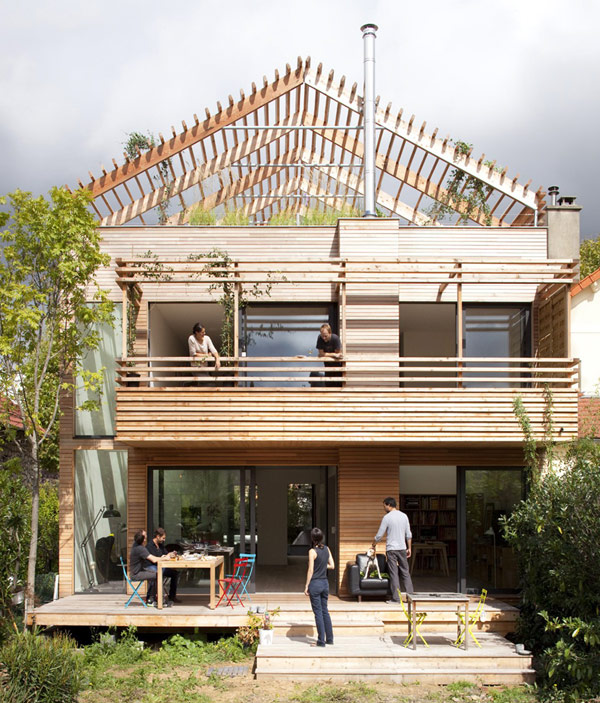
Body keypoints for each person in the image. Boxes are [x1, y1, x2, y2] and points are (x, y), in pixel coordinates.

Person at [373, 496, 414, 604]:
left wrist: (373, 544)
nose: (384, 508)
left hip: (391, 549)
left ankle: (396, 599)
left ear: (389, 505)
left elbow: (379, 535)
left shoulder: (387, 517)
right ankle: (412, 598)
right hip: (402, 548)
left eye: (384, 506)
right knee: (405, 572)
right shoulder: (404, 516)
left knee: (394, 573)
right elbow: (408, 534)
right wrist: (409, 548)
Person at [304, 527, 335, 647]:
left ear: (312, 539)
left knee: (318, 613)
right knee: (325, 611)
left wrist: (306, 585)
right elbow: (332, 566)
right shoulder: (327, 549)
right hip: (325, 584)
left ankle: (321, 641)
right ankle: (330, 639)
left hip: (315, 584)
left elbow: (310, 570)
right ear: (321, 537)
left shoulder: (312, 551)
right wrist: (322, 566)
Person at [146, 527, 181, 604]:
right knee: (157, 573)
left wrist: (170, 554)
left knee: (174, 573)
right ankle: (151, 597)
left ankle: (172, 597)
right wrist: (163, 557)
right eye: (163, 538)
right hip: (151, 567)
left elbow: (165, 554)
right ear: (158, 536)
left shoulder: (160, 545)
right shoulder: (149, 546)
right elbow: (154, 559)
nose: (164, 540)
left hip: (160, 566)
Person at [129, 529, 162, 606]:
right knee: (157, 575)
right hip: (136, 574)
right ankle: (151, 599)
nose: (147, 536)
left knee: (155, 573)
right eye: (145, 535)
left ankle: (152, 597)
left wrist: (162, 557)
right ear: (143, 539)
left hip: (138, 571)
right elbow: (153, 559)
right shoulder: (140, 549)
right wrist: (165, 558)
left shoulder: (136, 545)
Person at [316, 323, 343, 387]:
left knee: (338, 385)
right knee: (328, 385)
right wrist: (333, 355)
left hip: (337, 367)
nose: (324, 338)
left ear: (330, 333)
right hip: (327, 366)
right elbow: (321, 353)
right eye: (322, 336)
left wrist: (326, 354)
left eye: (326, 336)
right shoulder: (320, 338)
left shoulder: (335, 338)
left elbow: (338, 353)